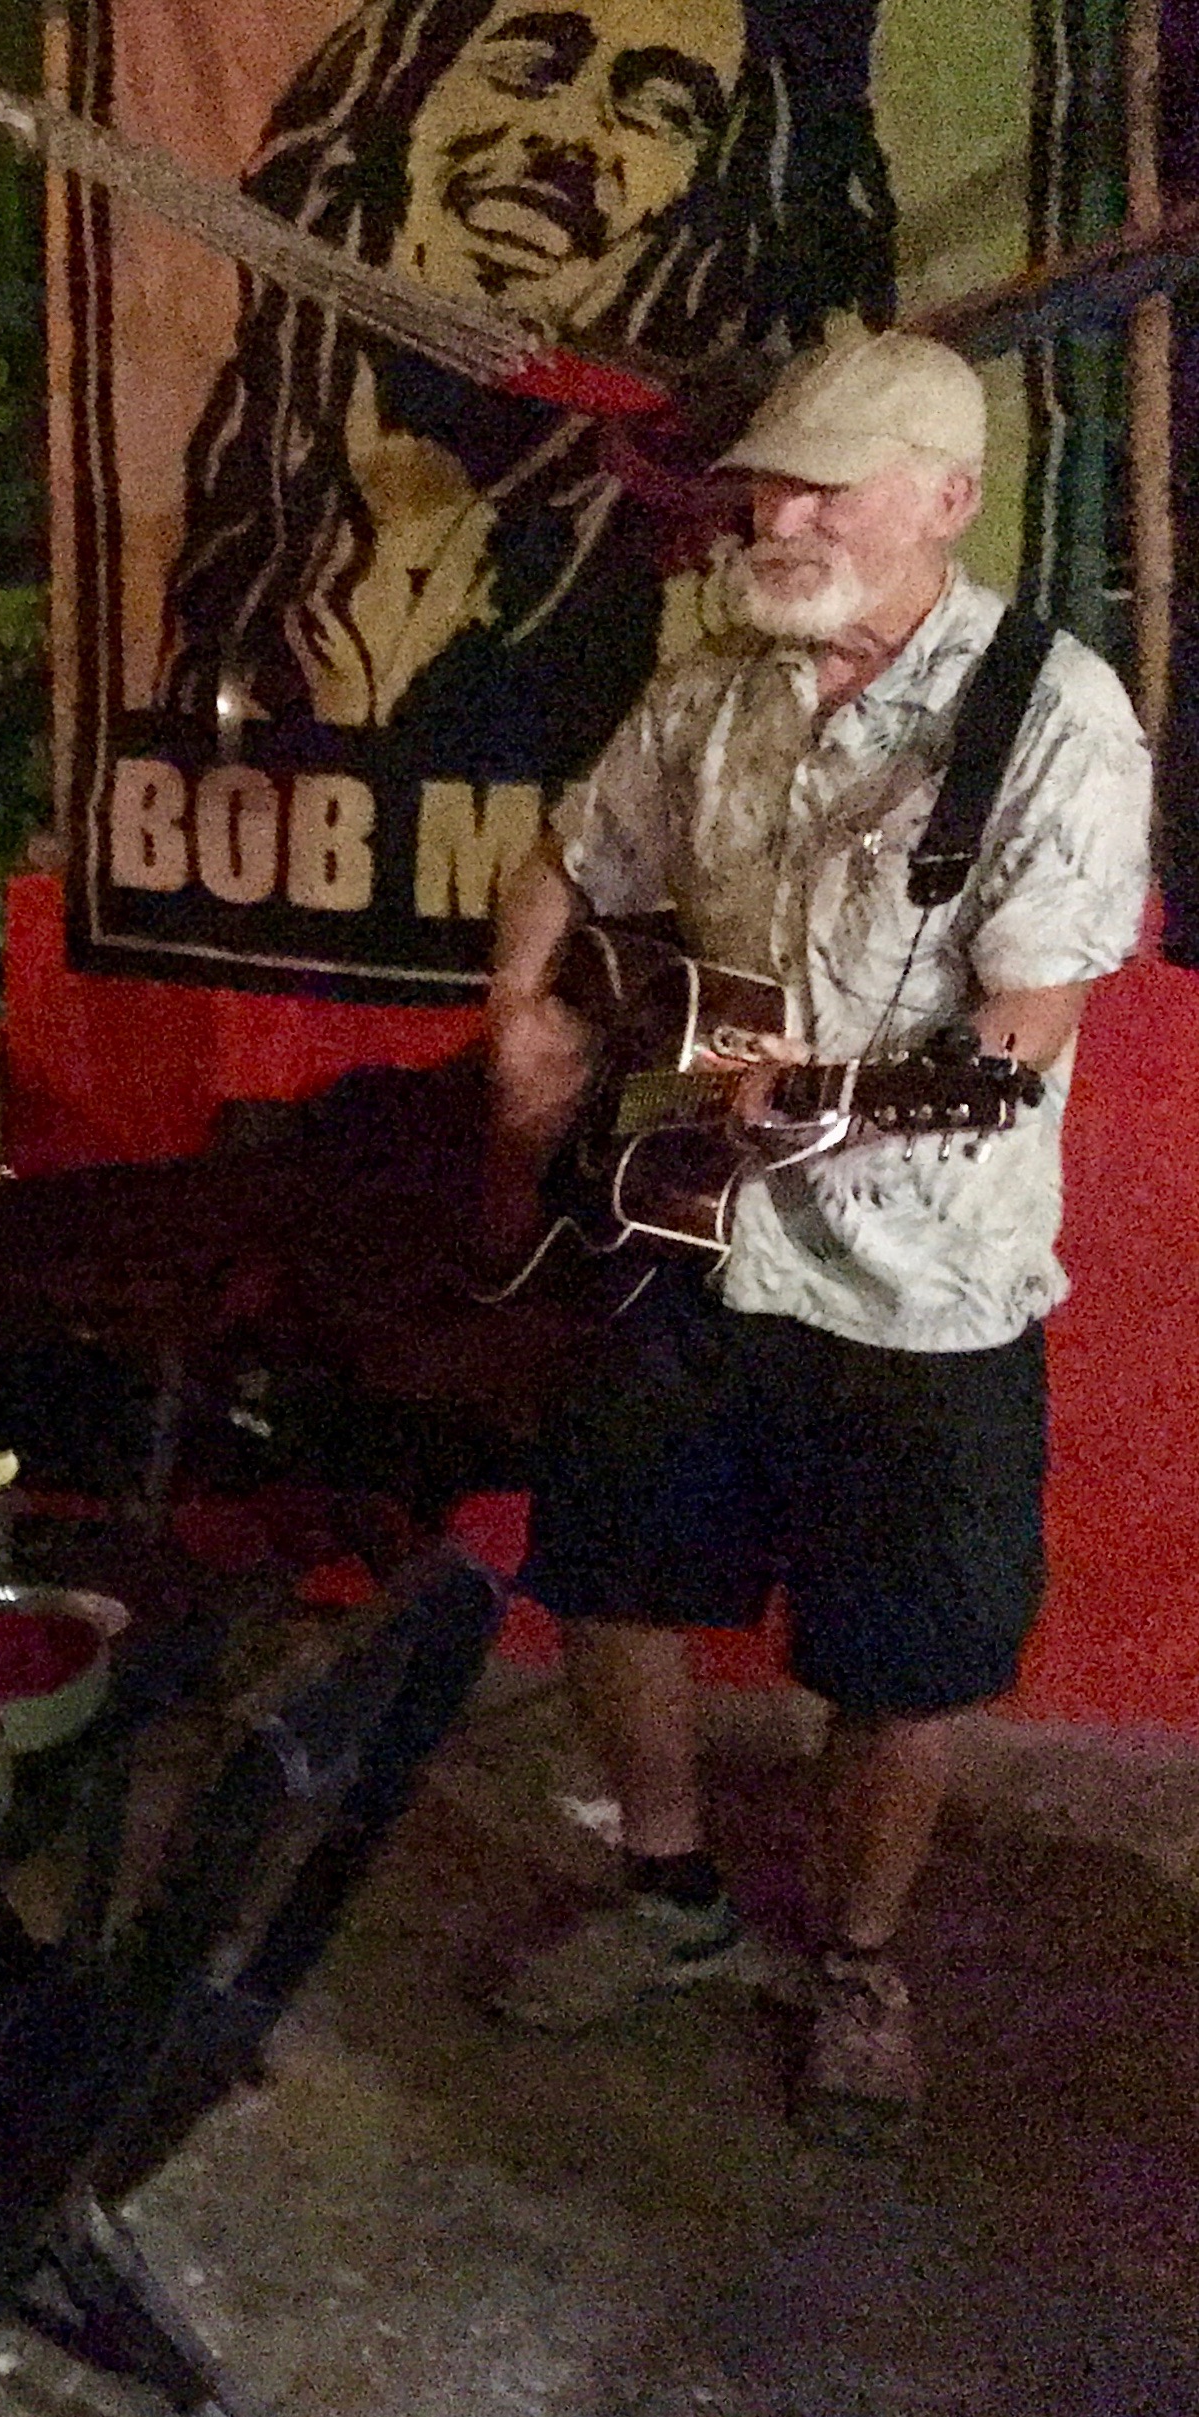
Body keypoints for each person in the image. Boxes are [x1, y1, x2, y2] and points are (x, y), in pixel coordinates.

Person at [478, 329, 1151, 2144]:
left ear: (942, 499)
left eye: (822, 486)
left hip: (915, 1269)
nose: (772, 515)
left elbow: (1016, 1033)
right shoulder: (709, 690)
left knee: (897, 1652)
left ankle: (854, 1955)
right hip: (683, 1228)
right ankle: (668, 1899)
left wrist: (836, 1101)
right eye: (762, 482)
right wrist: (522, 1018)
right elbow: (565, 860)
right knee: (606, 1565)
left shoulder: (1048, 712)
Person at [163, 0, 896, 762]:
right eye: (524, 68)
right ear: (402, 103)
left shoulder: (706, 552)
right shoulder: (266, 500)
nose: (569, 136)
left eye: (662, 112)